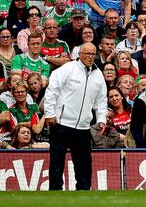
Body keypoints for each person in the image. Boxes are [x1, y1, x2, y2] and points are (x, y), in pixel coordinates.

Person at [43, 43, 107, 190]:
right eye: (87, 53)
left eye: (93, 54)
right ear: (80, 54)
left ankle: (84, 191)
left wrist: (102, 119)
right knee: (57, 160)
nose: (90, 57)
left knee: (84, 162)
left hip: (84, 127)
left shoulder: (98, 75)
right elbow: (52, 90)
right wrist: (50, 113)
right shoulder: (68, 69)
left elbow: (101, 99)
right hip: (61, 123)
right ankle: (55, 191)